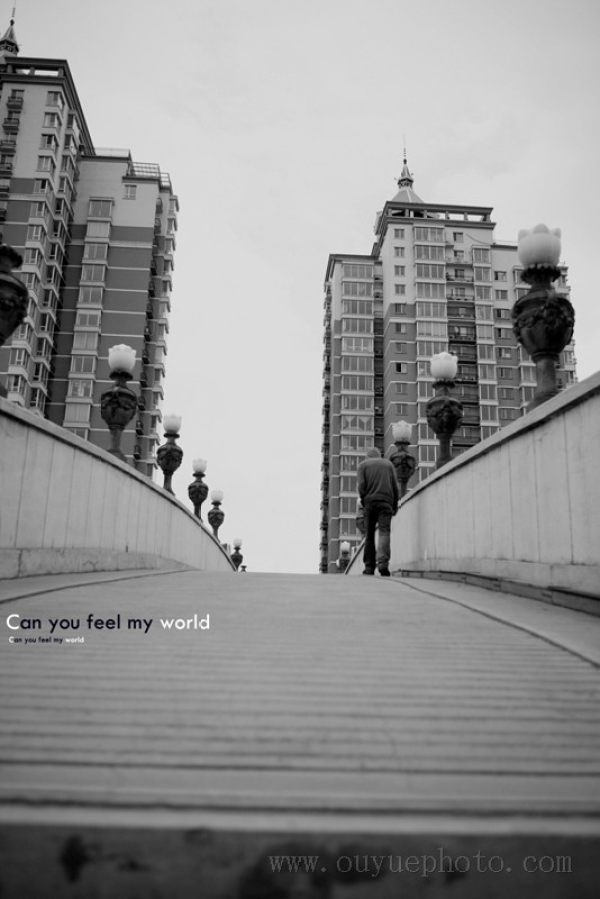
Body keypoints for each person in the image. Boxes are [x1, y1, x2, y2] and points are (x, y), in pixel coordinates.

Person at [357, 447, 399, 577]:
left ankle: (369, 567)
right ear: (379, 456)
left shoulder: (363, 465)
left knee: (369, 534)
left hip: (370, 503)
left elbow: (361, 486)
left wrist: (363, 499)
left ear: (368, 457)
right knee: (384, 532)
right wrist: (395, 505)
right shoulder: (388, 465)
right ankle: (383, 564)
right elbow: (395, 487)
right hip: (386, 502)